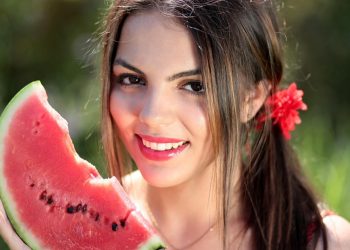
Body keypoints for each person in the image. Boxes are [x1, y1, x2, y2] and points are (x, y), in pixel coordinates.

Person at [1, 0, 350, 249]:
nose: (152, 114)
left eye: (194, 85)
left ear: (252, 98)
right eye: (132, 79)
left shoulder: (328, 243)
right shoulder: (75, 221)